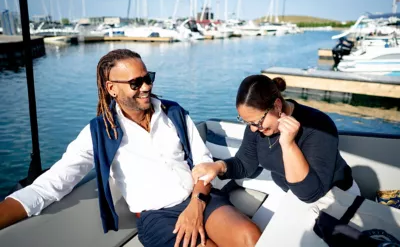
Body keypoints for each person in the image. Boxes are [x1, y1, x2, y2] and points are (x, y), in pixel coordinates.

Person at [0, 49, 261, 247]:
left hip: (200, 197)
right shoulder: (99, 133)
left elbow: (202, 163)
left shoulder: (174, 113)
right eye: (135, 83)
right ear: (111, 89)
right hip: (158, 217)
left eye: (148, 78)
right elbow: (53, 184)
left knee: (251, 238)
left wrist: (196, 204)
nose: (146, 86)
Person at [192, 74, 359, 216]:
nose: (253, 129)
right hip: (292, 194)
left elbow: (310, 193)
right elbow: (244, 164)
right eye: (246, 122)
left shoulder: (318, 126)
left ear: (277, 106)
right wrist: (218, 166)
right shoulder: (258, 128)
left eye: (256, 122)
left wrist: (288, 144)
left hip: (336, 197)